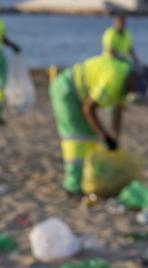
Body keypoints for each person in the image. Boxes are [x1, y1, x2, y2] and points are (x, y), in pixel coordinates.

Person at [50, 53, 135, 196]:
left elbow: (117, 111)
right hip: (66, 91)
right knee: (77, 138)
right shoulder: (114, 77)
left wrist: (115, 138)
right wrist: (105, 136)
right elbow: (89, 109)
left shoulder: (126, 82)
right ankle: (73, 186)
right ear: (134, 80)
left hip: (79, 95)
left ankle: (88, 180)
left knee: (91, 137)